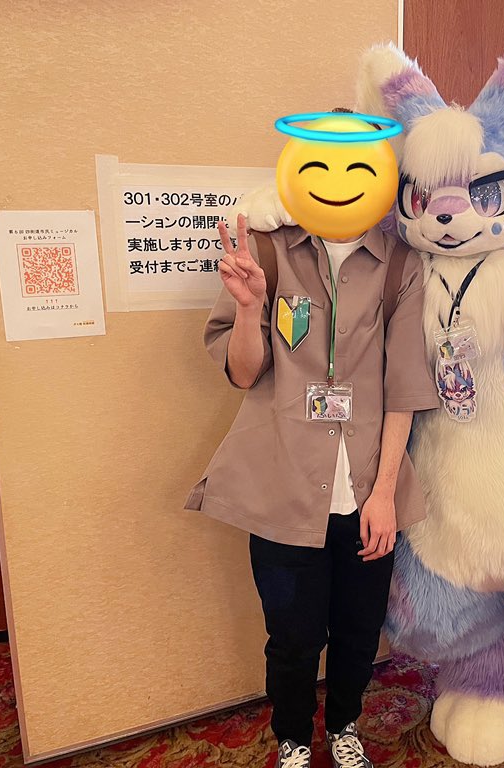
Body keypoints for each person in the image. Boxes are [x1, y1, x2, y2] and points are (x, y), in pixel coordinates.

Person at [185, 111, 438, 768]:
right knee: (293, 638)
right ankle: (295, 736)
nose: (339, 180)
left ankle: (345, 725)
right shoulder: (267, 250)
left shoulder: (400, 264)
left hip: (367, 491)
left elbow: (405, 387)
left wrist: (385, 494)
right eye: (322, 162)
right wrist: (249, 308)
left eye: (359, 165)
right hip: (282, 488)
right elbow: (244, 372)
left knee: (358, 631)